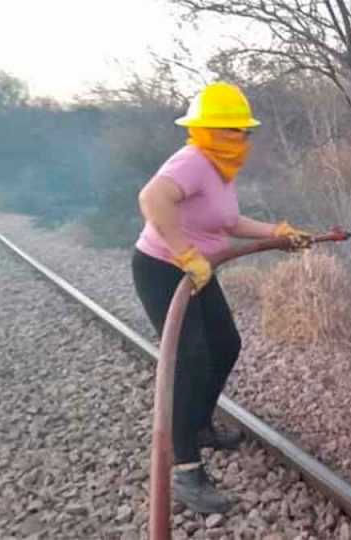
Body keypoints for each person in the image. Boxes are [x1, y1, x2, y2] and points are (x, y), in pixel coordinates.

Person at [131, 82, 310, 514]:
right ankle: (186, 470)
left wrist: (275, 232)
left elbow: (226, 221)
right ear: (212, 130)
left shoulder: (218, 168)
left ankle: (199, 425)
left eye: (245, 131)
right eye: (236, 131)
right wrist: (184, 253)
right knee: (190, 361)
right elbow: (152, 198)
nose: (244, 139)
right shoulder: (193, 160)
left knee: (226, 345)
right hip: (162, 269)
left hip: (196, 271)